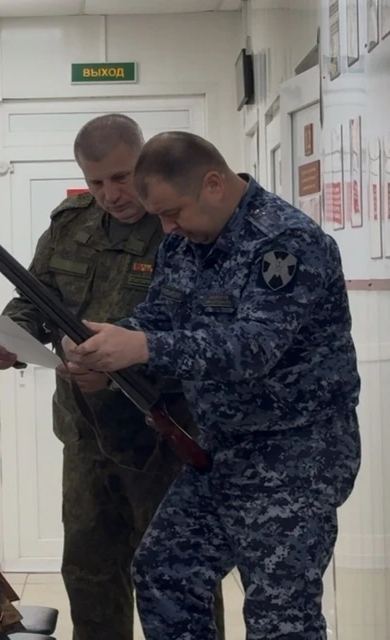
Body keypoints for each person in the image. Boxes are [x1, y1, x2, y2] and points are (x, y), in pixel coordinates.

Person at [65, 131, 361, 639]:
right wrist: (106, 352)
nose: (167, 227)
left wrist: (142, 348)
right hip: (219, 451)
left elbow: (254, 348)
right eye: (159, 215)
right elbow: (156, 318)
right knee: (163, 575)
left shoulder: (285, 242)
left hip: (296, 453)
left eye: (173, 212)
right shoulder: (183, 243)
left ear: (214, 184)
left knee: (279, 615)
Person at [0, 114, 224, 639]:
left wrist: (121, 372)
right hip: (86, 432)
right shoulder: (72, 224)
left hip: (162, 435)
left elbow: (201, 337)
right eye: (96, 182)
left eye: (121, 177)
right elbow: (35, 296)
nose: (111, 194)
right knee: (90, 574)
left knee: (177, 578)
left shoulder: (180, 227)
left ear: (144, 162)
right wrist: (12, 336)